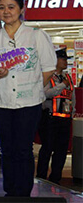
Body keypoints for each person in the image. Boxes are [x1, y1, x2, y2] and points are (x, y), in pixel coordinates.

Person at [0, 0, 56, 197]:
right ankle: (10, 192)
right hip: (0, 103)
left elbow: (48, 68)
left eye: (11, 7)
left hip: (29, 104)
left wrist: (31, 86)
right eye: (2, 7)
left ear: (21, 9)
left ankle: (23, 194)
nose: (6, 12)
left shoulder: (36, 36)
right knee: (7, 149)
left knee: (23, 148)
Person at [37, 49, 75, 184]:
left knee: (61, 150)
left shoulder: (67, 78)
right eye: (63, 59)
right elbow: (45, 93)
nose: (65, 62)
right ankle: (41, 177)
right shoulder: (48, 76)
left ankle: (56, 178)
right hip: (50, 118)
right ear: (55, 60)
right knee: (47, 148)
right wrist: (62, 86)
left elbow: (72, 97)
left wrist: (72, 113)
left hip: (65, 119)